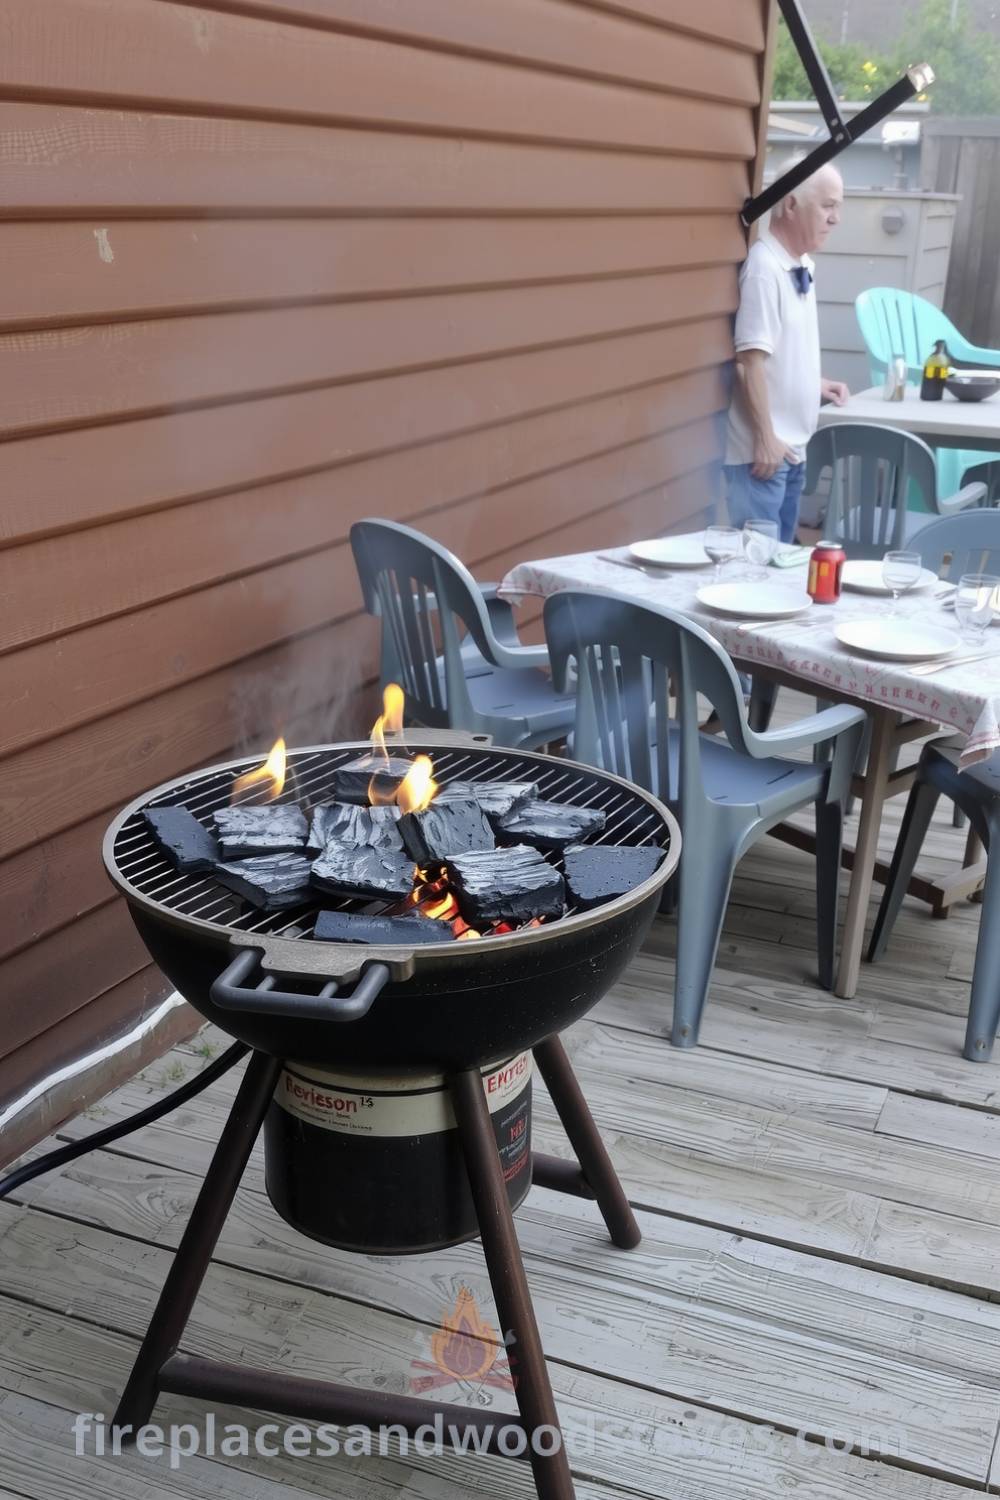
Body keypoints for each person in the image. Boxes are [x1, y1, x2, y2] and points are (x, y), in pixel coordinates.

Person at [724, 163, 850, 545]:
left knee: (781, 566)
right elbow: (750, 361)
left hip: (792, 450)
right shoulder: (765, 268)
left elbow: (782, 350)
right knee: (754, 569)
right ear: (791, 205)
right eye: (827, 205)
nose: (836, 218)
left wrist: (816, 384)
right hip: (763, 455)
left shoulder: (800, 264)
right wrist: (765, 438)